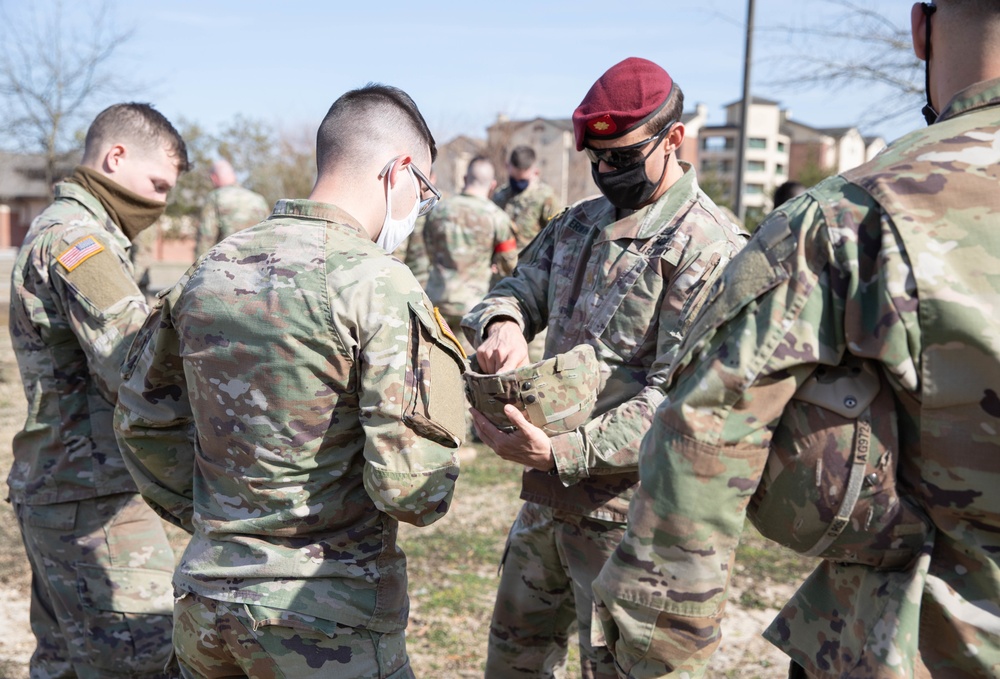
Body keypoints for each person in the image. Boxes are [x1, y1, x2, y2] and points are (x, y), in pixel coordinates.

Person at [593, 2, 1000, 677]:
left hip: (914, 643)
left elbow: (703, 438)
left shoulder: (847, 220)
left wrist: (652, 654)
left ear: (920, 28)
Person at [114, 84, 467, 679]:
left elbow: (141, 422)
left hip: (207, 610)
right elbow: (413, 490)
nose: (419, 208)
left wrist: (217, 516)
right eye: (424, 192)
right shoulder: (377, 284)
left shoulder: (210, 269)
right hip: (325, 621)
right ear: (398, 171)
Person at [462, 57, 747, 679]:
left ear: (673, 140)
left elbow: (683, 401)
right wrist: (504, 324)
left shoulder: (711, 249)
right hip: (545, 504)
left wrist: (562, 451)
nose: (604, 172)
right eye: (596, 158)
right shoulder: (578, 224)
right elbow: (515, 287)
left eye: (619, 157)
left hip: (631, 520)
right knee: (515, 661)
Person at [8, 102, 189, 678]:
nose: (161, 202)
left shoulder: (62, 231)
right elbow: (135, 365)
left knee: (64, 661)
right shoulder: (78, 241)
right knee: (140, 658)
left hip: (66, 487)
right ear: (115, 157)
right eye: (158, 183)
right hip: (91, 495)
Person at [425, 155, 518, 355]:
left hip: (435, 299)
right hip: (473, 307)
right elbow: (510, 265)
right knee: (466, 371)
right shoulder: (497, 217)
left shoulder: (438, 209)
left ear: (465, 178)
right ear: (493, 185)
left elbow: (429, 249)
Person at [193, 158, 269, 258]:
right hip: (257, 265)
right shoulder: (259, 200)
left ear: (214, 178)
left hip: (226, 265)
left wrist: (197, 270)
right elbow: (269, 237)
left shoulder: (215, 197)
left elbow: (205, 239)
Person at [491, 145, 560, 251]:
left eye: (523, 180)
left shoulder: (546, 198)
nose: (518, 183)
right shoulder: (499, 196)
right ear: (507, 166)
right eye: (514, 178)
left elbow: (557, 235)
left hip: (532, 264)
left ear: (535, 172)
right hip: (502, 262)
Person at [392, 167, 435, 289]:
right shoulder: (445, 212)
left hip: (413, 285)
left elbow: (398, 255)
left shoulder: (408, 211)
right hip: (433, 287)